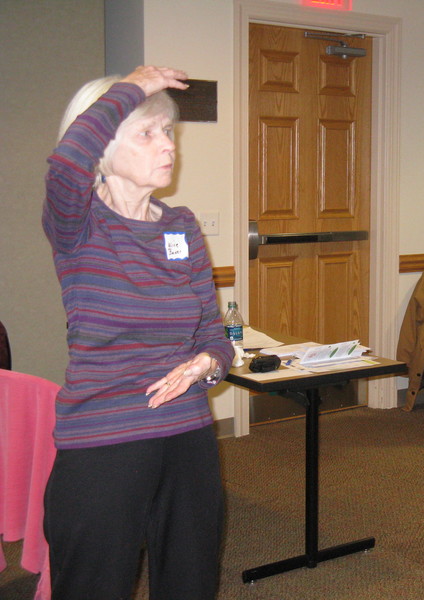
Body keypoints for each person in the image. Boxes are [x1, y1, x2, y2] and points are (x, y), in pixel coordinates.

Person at [41, 66, 234, 599]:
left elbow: (214, 336)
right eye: (146, 133)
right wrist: (133, 87)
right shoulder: (78, 222)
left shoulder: (182, 227)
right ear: (104, 147)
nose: (167, 146)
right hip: (103, 440)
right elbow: (64, 165)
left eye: (168, 131)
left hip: (187, 433)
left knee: (190, 584)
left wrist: (207, 365)